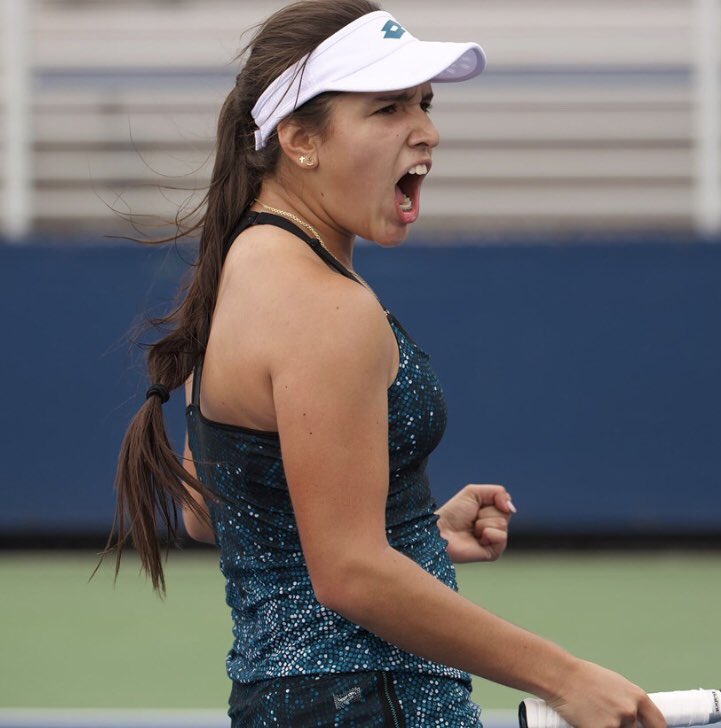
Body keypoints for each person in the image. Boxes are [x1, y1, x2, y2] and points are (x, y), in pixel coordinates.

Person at [101, 2, 667, 726]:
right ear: (300, 140)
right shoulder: (323, 306)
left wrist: (415, 536)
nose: (427, 130)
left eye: (424, 104)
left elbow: (213, 512)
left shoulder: (239, 267)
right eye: (388, 107)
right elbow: (350, 575)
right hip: (373, 704)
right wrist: (566, 678)